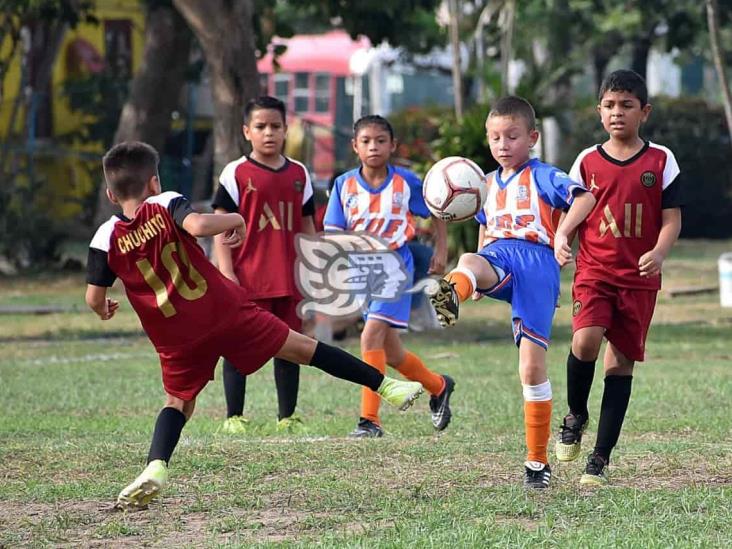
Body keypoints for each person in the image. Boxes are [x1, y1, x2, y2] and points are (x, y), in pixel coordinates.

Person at [85, 141, 424, 509]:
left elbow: (93, 297)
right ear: (153, 183)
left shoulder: (104, 238)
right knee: (303, 349)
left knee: (178, 402)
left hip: (174, 334)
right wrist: (236, 219)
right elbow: (198, 225)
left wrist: (104, 308)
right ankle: (387, 386)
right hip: (220, 310)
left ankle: (155, 466)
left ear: (110, 194)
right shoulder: (164, 201)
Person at [427, 96, 596, 489]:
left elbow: (584, 197)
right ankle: (452, 292)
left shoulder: (543, 175)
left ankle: (537, 464)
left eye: (512, 136)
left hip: (537, 265)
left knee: (531, 370)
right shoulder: (482, 183)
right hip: (499, 254)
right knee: (469, 257)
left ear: (532, 137)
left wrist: (563, 235)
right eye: (495, 138)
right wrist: (481, 274)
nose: (503, 145)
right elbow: (485, 225)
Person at [554, 70, 682, 486]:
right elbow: (575, 208)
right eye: (609, 105)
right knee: (585, 339)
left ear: (643, 112)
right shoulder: (586, 161)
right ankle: (576, 414)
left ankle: (600, 459)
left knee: (620, 364)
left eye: (626, 105)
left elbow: (671, 219)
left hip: (638, 280)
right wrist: (563, 236)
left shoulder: (660, 160)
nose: (617, 113)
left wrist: (659, 252)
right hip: (595, 271)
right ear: (599, 111)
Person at [324, 115, 453, 438]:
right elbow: (333, 232)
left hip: (396, 266)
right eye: (366, 141)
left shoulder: (405, 181)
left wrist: (441, 248)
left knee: (369, 338)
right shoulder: (344, 185)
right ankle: (438, 386)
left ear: (392, 145)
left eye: (381, 140)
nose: (373, 147)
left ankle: (369, 420)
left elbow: (436, 209)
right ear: (355, 146)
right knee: (391, 352)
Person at [212, 96, 313, 434]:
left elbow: (309, 226)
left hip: (289, 279)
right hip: (247, 279)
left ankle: (287, 417)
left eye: (275, 126)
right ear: (246, 131)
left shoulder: (299, 173)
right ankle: (233, 417)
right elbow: (219, 226)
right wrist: (226, 274)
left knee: (290, 348)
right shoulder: (235, 173)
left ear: (286, 130)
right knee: (238, 347)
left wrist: (314, 270)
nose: (268, 133)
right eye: (260, 126)